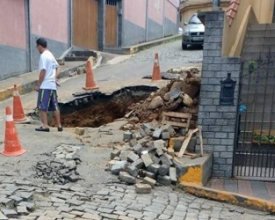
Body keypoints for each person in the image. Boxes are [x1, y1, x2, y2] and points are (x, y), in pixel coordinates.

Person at [35, 37, 63, 132]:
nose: (37, 48)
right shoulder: (50, 55)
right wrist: (54, 77)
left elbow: (43, 71)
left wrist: (39, 84)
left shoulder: (43, 56)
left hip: (45, 85)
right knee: (55, 106)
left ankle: (45, 125)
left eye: (37, 46)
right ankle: (59, 125)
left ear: (39, 46)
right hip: (52, 86)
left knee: (42, 106)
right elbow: (58, 67)